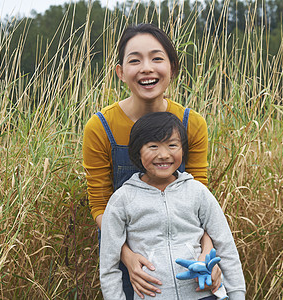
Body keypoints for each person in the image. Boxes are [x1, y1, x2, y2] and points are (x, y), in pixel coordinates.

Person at [82, 23, 222, 298]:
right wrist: (128, 258)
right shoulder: (100, 127)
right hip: (128, 259)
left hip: (186, 256)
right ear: (121, 72)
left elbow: (202, 203)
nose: (147, 68)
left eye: (157, 58)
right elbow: (100, 207)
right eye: (135, 60)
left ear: (172, 67)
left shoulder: (191, 124)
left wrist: (208, 252)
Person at [99, 112, 246, 299]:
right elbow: (108, 265)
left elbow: (225, 244)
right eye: (153, 146)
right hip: (153, 295)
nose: (163, 155)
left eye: (172, 145)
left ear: (183, 150)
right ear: (137, 151)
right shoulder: (123, 199)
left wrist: (237, 294)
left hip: (202, 294)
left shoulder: (197, 191)